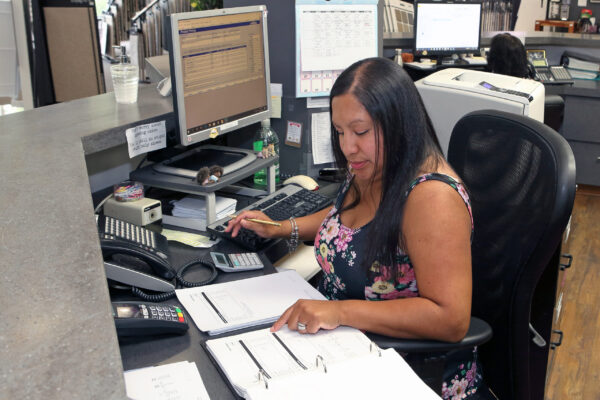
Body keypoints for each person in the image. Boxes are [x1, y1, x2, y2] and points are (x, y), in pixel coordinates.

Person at [226, 57, 489, 399]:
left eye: (360, 131)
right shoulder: (371, 163)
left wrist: (339, 312)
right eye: (339, 131)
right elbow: (348, 221)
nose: (348, 146)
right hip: (346, 349)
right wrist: (282, 228)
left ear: (398, 125)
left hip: (408, 372)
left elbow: (450, 319)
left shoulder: (432, 198)